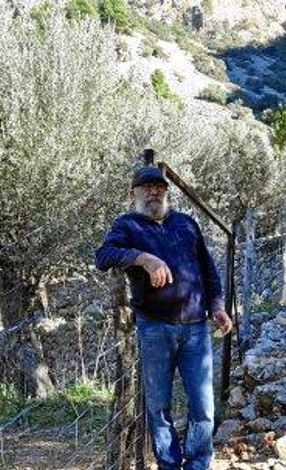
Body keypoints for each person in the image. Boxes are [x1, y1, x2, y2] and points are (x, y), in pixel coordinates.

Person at [94, 165, 232, 470]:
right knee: (158, 408)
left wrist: (218, 306)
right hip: (155, 327)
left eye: (159, 186)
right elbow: (103, 257)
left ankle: (197, 465)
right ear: (134, 193)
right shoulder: (127, 225)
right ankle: (169, 465)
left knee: (203, 407)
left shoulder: (186, 224)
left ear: (166, 192)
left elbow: (208, 270)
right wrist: (143, 258)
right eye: (147, 187)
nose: (154, 191)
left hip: (196, 328)